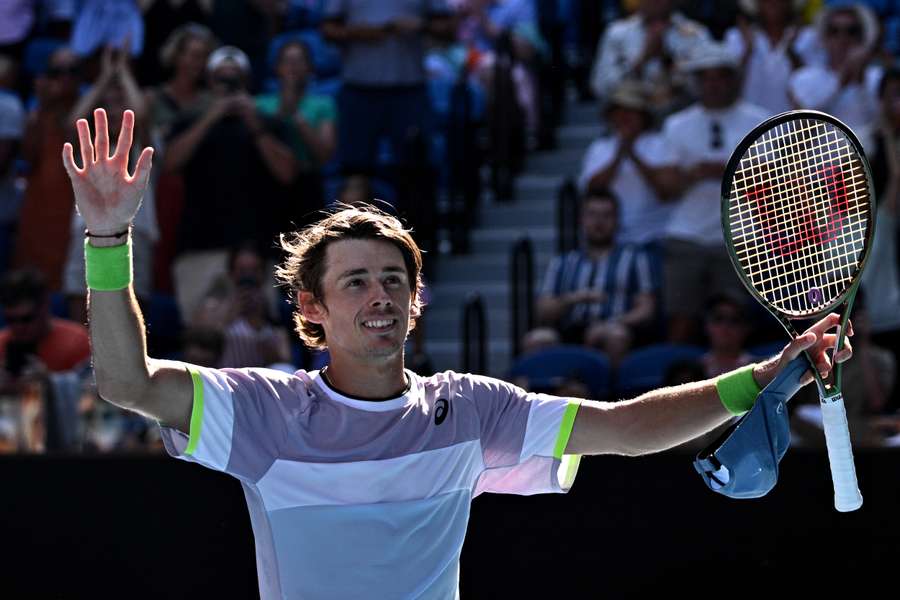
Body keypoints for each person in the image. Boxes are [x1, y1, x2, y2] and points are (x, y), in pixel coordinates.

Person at [64, 108, 853, 600]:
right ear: (310, 308)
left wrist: (763, 376)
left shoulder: (472, 410)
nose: (379, 296)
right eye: (357, 283)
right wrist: (107, 239)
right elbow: (126, 382)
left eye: (393, 281)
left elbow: (624, 426)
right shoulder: (264, 412)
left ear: (415, 302)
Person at [163, 45, 298, 319]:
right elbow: (169, 164)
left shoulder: (269, 123)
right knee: (200, 336)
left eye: (235, 79)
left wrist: (253, 121)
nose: (228, 85)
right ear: (209, 81)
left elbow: (287, 173)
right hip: (201, 246)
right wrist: (212, 114)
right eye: (221, 79)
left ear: (247, 81)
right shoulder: (189, 120)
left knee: (257, 335)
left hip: (258, 252)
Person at [658, 41, 769, 343]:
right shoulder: (675, 125)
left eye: (721, 76)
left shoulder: (760, 121)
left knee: (735, 322)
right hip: (687, 233)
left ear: (734, 79)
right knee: (681, 321)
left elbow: (772, 185)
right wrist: (695, 174)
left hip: (742, 236)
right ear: (696, 82)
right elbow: (665, 187)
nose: (714, 84)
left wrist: (728, 172)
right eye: (706, 77)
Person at [524, 188, 658, 365]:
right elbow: (543, 310)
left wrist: (612, 323)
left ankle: (612, 392)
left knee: (615, 335)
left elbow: (646, 309)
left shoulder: (635, 257)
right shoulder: (563, 262)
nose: (599, 222)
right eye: (592, 215)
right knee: (536, 339)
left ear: (617, 220)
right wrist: (574, 298)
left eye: (606, 215)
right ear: (582, 220)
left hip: (616, 326)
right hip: (570, 330)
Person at [13, 46, 81, 291]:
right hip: (39, 211)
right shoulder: (37, 112)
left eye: (72, 71)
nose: (64, 78)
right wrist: (42, 106)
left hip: (73, 213)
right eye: (56, 72)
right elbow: (27, 157)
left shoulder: (92, 110)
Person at [576, 80, 675, 246]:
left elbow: (665, 191)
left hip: (655, 237)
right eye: (619, 111)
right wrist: (618, 156)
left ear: (643, 115)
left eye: (631, 111)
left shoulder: (661, 144)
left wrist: (633, 155)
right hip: (612, 242)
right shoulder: (599, 148)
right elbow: (592, 190)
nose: (624, 117)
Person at [589, 0, 711, 116]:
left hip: (682, 117)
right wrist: (642, 60)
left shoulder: (697, 34)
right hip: (633, 123)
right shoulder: (617, 34)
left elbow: (707, 87)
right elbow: (601, 87)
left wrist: (667, 61)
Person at [787, 3, 881, 143]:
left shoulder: (877, 77)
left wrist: (860, 81)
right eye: (834, 31)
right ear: (824, 37)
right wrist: (840, 83)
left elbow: (881, 126)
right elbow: (800, 130)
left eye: (851, 31)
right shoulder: (804, 78)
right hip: (818, 161)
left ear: (862, 36)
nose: (842, 38)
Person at [724, 0, 813, 116]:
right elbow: (727, 87)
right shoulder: (735, 37)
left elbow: (812, 90)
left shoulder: (808, 36)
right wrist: (748, 50)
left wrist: (791, 52)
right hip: (749, 126)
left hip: (794, 126)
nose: (773, 2)